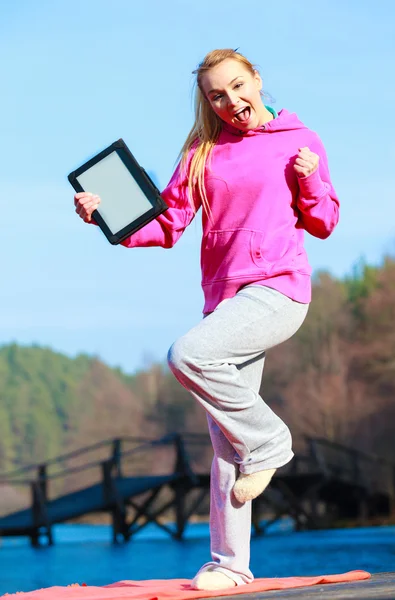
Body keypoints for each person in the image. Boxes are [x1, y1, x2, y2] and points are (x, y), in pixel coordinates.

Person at [74, 48, 339, 591]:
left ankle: (270, 441)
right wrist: (106, 215)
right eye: (217, 95)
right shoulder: (202, 151)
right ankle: (229, 564)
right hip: (225, 300)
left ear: (258, 79)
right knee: (224, 439)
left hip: (279, 289)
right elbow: (169, 223)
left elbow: (325, 221)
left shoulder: (298, 140)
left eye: (238, 87)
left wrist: (310, 180)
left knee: (189, 355)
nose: (231, 102)